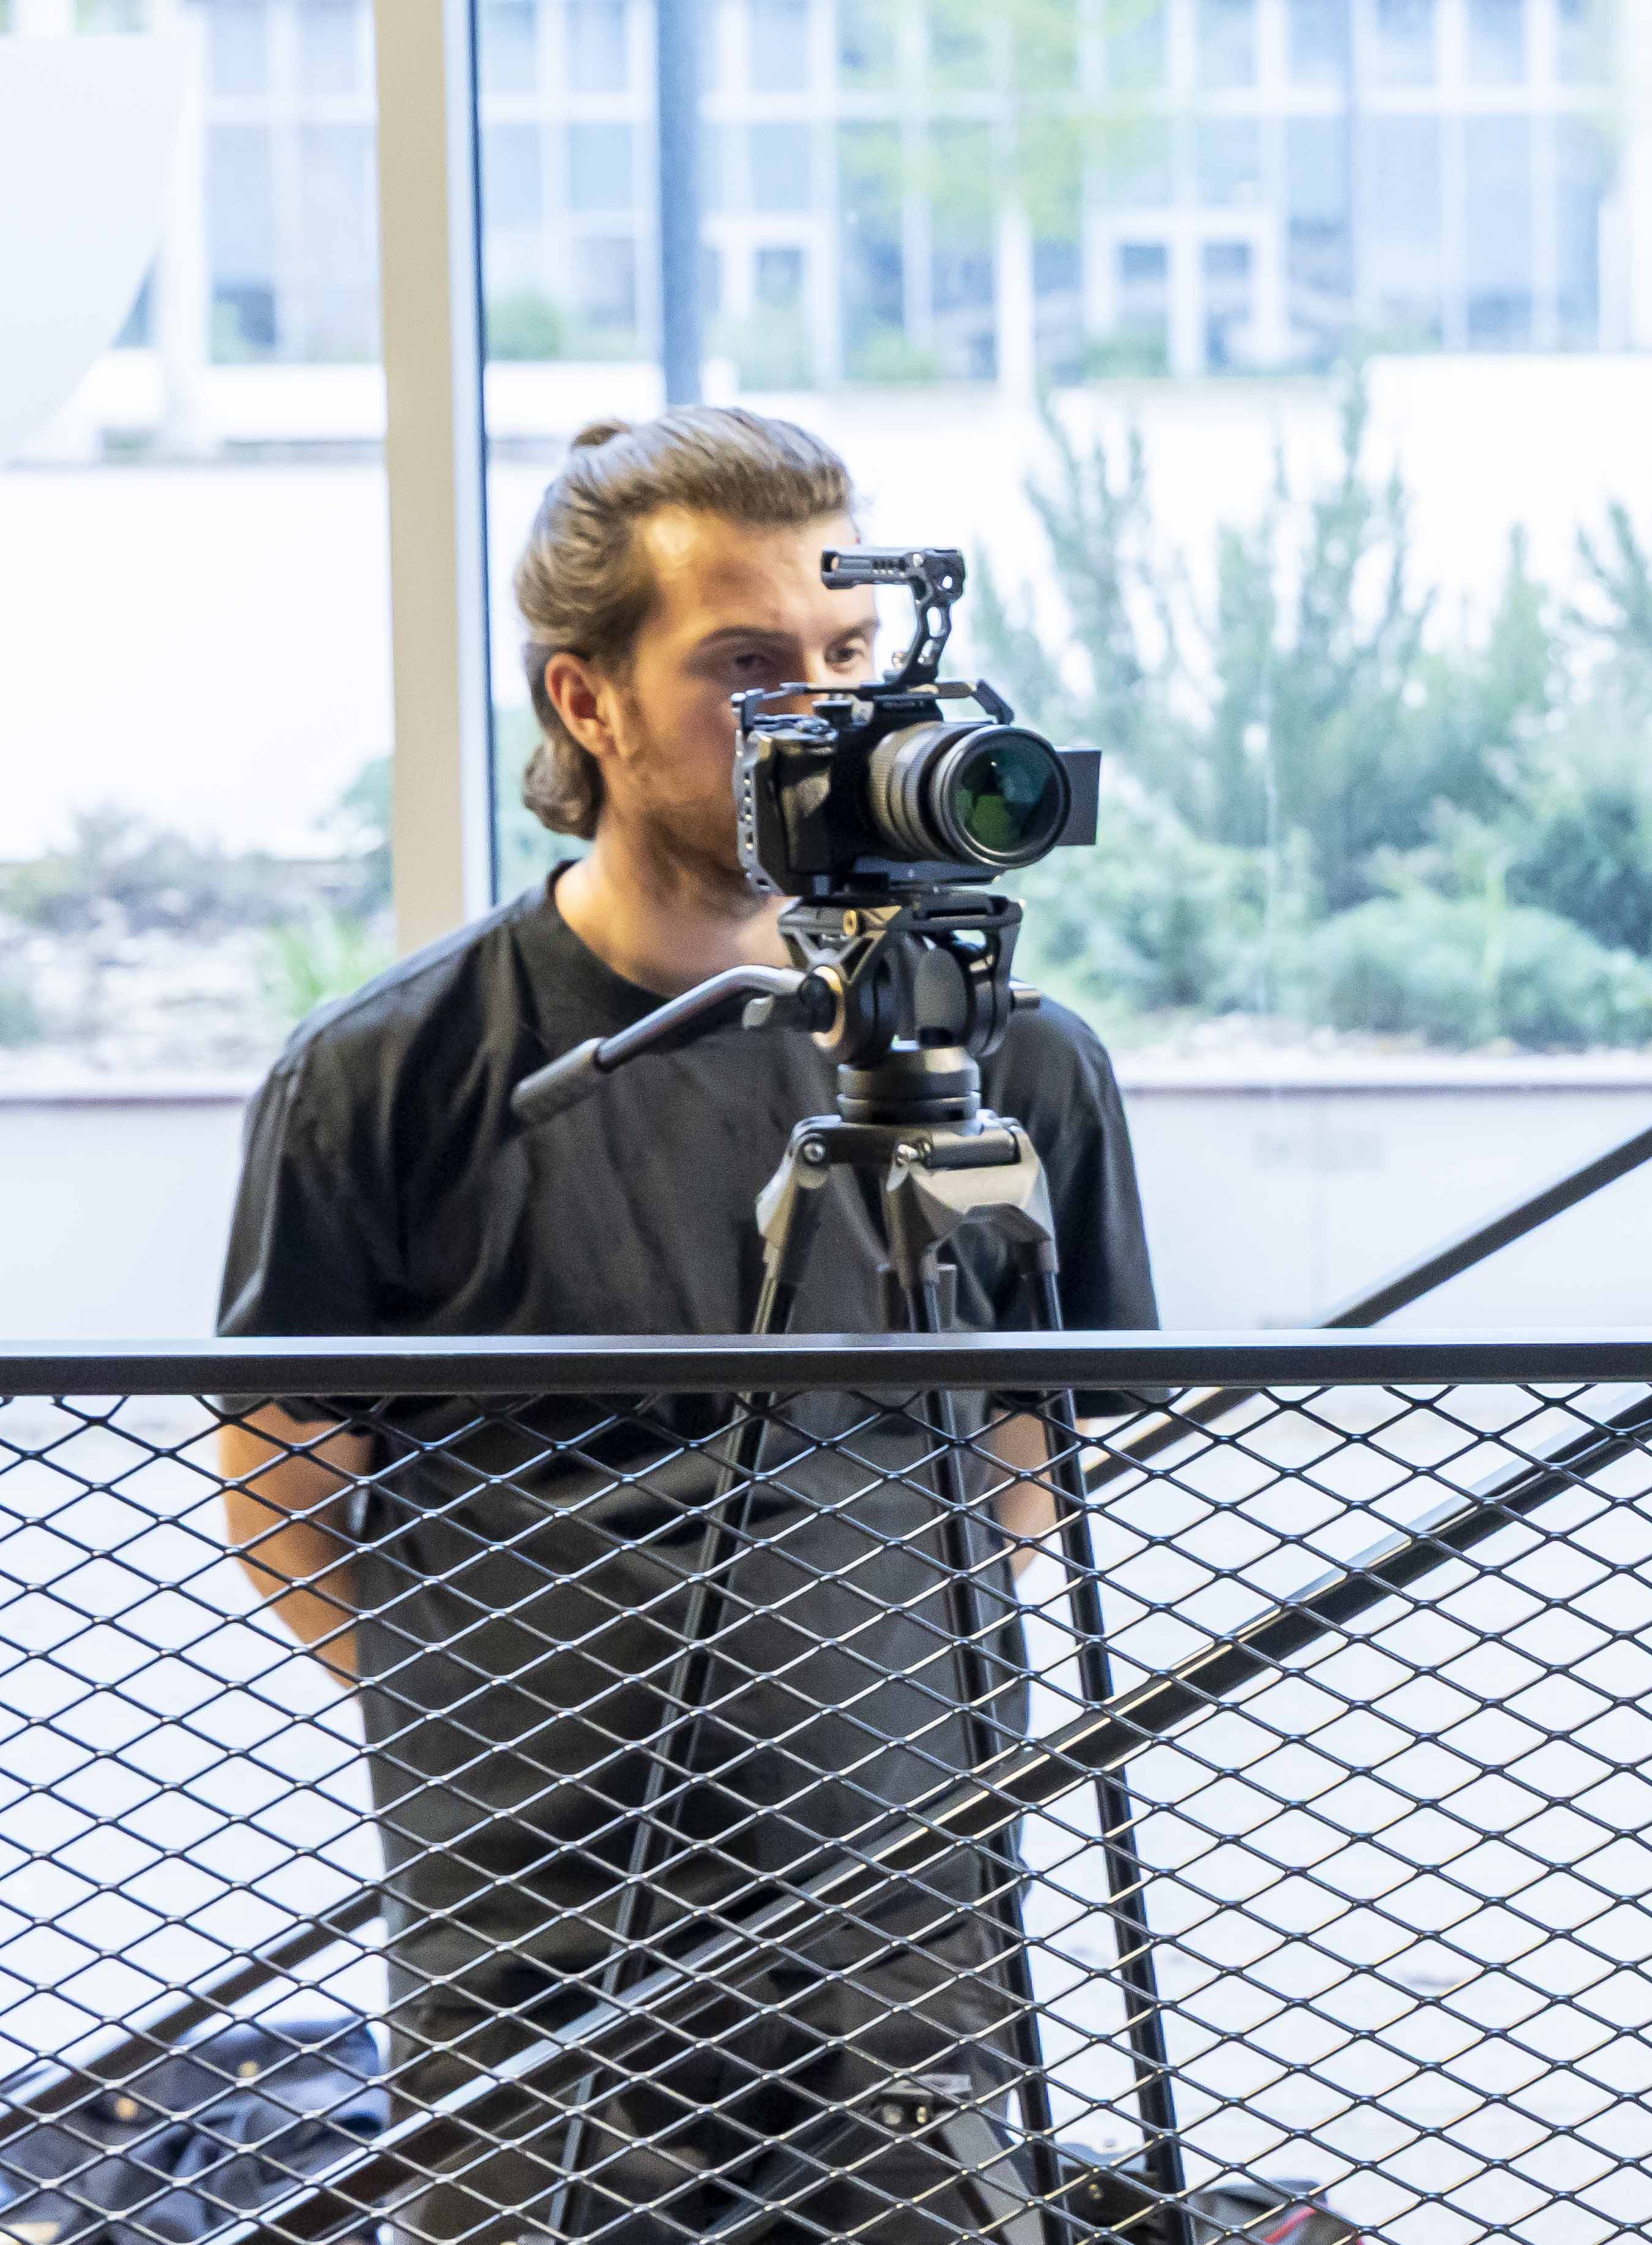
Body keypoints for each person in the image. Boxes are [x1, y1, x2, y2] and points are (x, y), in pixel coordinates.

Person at [212, 407, 1158, 2243]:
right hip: (534, 1969)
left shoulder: (1014, 1065)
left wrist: (855, 1691)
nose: (819, 716)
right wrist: (521, 1722)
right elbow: (281, 1493)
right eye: (746, 668)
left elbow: (1035, 1444)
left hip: (909, 1933)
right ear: (588, 702)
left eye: (848, 659)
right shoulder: (390, 1074)